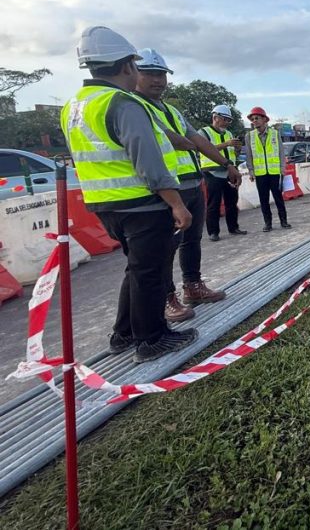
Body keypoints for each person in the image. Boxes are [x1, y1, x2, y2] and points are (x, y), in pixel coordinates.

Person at [61, 26, 196, 363]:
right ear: (126, 67)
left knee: (137, 270)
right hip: (142, 203)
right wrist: (176, 204)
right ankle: (151, 339)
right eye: (136, 66)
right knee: (151, 272)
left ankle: (123, 335)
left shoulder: (73, 106)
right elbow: (148, 162)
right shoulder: (122, 103)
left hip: (105, 204)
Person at [133, 49, 241, 323]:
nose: (158, 81)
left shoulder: (171, 111)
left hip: (192, 183)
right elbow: (171, 141)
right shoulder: (134, 107)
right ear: (134, 74)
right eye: (150, 74)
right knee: (166, 245)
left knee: (192, 240)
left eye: (161, 75)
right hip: (165, 189)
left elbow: (196, 140)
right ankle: (167, 298)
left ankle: (192, 286)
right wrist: (186, 143)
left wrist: (226, 164)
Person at [199, 105, 246, 241]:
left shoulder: (229, 134)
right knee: (214, 203)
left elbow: (232, 154)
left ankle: (233, 227)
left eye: (229, 120)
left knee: (232, 201)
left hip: (229, 172)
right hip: (212, 172)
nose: (227, 122)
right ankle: (213, 232)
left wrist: (237, 148)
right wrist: (226, 144)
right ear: (215, 117)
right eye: (225, 119)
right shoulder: (203, 132)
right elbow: (203, 149)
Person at [243, 106, 290, 231]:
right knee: (263, 200)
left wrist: (282, 167)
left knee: (278, 198)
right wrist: (251, 171)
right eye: (252, 119)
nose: (254, 121)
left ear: (265, 119)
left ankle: (283, 221)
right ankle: (268, 223)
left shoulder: (275, 134)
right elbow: (249, 155)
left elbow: (281, 152)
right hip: (260, 173)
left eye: (257, 118)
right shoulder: (249, 136)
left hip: (275, 172)